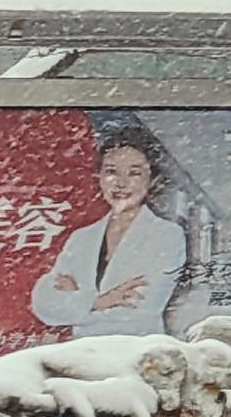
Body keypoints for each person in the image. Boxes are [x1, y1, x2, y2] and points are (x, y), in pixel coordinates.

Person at [29, 132, 192, 339]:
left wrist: (75, 304)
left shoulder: (167, 235)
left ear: (151, 180)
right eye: (111, 171)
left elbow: (142, 310)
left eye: (134, 173)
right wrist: (100, 302)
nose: (121, 183)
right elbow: (44, 305)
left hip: (138, 356)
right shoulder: (81, 238)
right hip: (82, 357)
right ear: (99, 178)